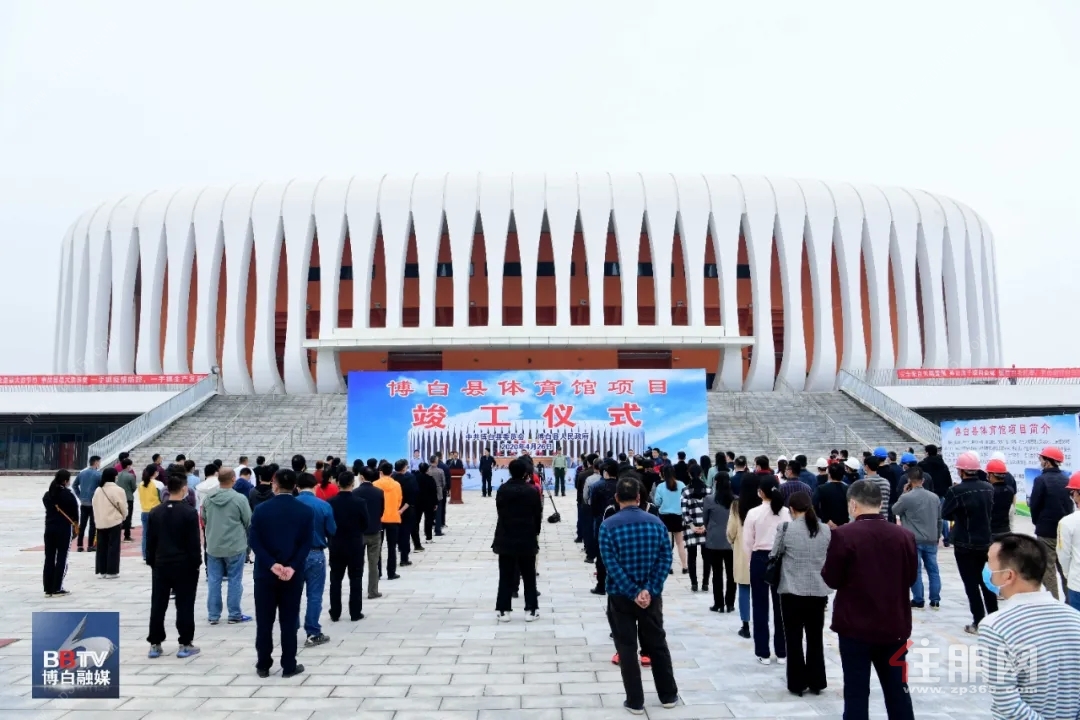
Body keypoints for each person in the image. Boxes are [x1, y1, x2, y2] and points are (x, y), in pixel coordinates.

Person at [821, 479, 916, 720]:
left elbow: (831, 579)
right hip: (894, 625)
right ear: (881, 503)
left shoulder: (843, 535)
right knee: (898, 691)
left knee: (856, 692)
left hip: (855, 627)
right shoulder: (904, 536)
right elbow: (911, 577)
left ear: (853, 505)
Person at [598, 477, 680, 714]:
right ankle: (668, 695)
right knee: (657, 644)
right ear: (639, 498)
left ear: (616, 498)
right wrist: (649, 590)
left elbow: (610, 564)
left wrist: (633, 591)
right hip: (651, 597)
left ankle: (635, 701)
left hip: (620, 596)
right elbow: (666, 559)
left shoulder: (608, 526)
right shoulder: (656, 523)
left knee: (626, 647)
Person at [979, 533, 1080, 719]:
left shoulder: (995, 627)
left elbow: (1008, 705)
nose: (986, 568)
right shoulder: (1075, 619)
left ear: (1008, 576)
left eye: (989, 562)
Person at [250, 468, 314, 679]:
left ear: (274, 485)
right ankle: (288, 665)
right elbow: (306, 544)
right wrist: (292, 566)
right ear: (295, 486)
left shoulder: (261, 510)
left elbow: (254, 542)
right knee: (288, 620)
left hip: (265, 574)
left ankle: (263, 664)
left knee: (264, 620)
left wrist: (271, 564)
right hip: (291, 574)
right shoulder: (304, 511)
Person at [770, 491, 831, 697]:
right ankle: (817, 681)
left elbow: (774, 554)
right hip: (817, 590)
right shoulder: (824, 530)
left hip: (791, 591)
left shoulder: (785, 528)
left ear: (792, 509)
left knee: (793, 638)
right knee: (815, 638)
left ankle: (797, 683)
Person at [145, 470, 202, 659]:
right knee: (185, 604)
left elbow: (150, 541)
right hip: (184, 565)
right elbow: (193, 542)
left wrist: (151, 561)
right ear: (184, 489)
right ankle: (185, 643)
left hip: (161, 564)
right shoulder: (189, 512)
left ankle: (155, 643)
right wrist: (196, 563)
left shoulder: (156, 512)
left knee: (158, 603)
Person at [942, 451, 997, 634]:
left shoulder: (956, 491)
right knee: (987, 583)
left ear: (961, 471)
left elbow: (945, 513)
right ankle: (994, 619)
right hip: (986, 541)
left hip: (964, 542)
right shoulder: (989, 488)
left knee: (971, 585)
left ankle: (979, 621)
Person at [743, 476, 790, 664]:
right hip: (780, 559)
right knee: (781, 607)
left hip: (760, 558)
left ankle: (763, 652)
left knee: (760, 606)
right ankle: (782, 651)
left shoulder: (754, 513)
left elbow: (747, 542)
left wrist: (750, 563)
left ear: (760, 492)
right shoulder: (786, 512)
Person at [201, 468, 253, 625]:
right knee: (234, 580)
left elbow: (204, 518)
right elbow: (248, 520)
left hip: (214, 545)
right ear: (232, 479)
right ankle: (234, 614)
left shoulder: (208, 498)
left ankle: (213, 615)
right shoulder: (239, 499)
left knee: (214, 580)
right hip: (235, 545)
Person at [493, 458, 543, 621]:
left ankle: (503, 609)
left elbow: (500, 512)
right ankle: (531, 609)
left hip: (506, 536)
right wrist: (535, 532)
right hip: (526, 537)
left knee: (505, 574)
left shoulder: (502, 490)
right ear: (525, 473)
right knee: (529, 575)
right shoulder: (532, 491)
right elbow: (537, 515)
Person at [295, 471, 336, 646]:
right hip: (315, 552)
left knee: (293, 594)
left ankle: (291, 626)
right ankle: (312, 632)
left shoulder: (291, 504)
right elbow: (332, 530)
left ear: (297, 487)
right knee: (314, 594)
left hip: (293, 554)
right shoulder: (323, 505)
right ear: (315, 486)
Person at [891, 466, 942, 609]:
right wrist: (937, 535)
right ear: (923, 480)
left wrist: (903, 493)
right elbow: (939, 519)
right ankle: (935, 599)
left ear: (909, 480)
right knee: (933, 570)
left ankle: (918, 599)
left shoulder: (906, 497)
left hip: (913, 539)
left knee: (916, 570)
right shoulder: (934, 497)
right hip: (931, 538)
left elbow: (895, 510)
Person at [1029, 445, 1073, 600]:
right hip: (1064, 532)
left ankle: (1054, 603)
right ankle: (1070, 603)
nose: (1040, 461)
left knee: (1048, 570)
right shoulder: (1066, 479)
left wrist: (1037, 523)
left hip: (1046, 532)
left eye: (1041, 458)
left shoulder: (1040, 480)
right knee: (1065, 569)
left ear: (1048, 462)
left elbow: (1034, 506)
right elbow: (1070, 505)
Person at [327, 470, 369, 622]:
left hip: (336, 544)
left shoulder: (330, 503)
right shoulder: (360, 502)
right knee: (356, 579)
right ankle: (355, 612)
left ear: (338, 483)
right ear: (353, 483)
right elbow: (366, 523)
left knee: (335, 579)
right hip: (355, 545)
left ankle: (335, 612)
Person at [728, 471, 760, 638]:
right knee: (760, 592)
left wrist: (734, 542)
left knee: (744, 589)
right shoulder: (763, 505)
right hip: (761, 553)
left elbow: (731, 531)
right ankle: (760, 623)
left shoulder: (736, 505)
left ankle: (745, 625)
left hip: (742, 552)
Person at [702, 471, 736, 612]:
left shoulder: (709, 499)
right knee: (731, 574)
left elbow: (705, 519)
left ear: (715, 482)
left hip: (714, 540)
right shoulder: (736, 500)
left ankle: (719, 603)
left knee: (717, 573)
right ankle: (730, 603)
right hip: (731, 540)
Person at [43, 469, 79, 597]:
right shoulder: (68, 495)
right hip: (63, 528)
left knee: (49, 557)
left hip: (49, 528)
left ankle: (48, 588)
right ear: (65, 481)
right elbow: (75, 513)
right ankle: (57, 587)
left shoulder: (48, 495)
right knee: (62, 557)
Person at [353, 468, 386, 599]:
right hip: (374, 531)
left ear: (361, 477)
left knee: (358, 562)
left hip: (359, 532)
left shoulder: (355, 492)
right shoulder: (379, 492)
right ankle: (373, 590)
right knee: (373, 563)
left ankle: (356, 589)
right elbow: (381, 511)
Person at [92, 467, 128, 579]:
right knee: (113, 546)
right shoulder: (119, 490)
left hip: (100, 521)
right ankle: (111, 571)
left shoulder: (98, 490)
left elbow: (94, 504)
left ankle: (102, 570)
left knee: (101, 547)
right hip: (114, 521)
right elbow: (123, 506)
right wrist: (124, 516)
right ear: (113, 476)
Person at [653, 465, 688, 575]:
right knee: (680, 543)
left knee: (668, 544)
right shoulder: (681, 484)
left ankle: (669, 567)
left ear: (662, 474)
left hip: (665, 516)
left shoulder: (660, 486)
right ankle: (685, 566)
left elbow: (657, 502)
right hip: (678, 516)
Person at [918, 444, 953, 546]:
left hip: (926, 493)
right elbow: (948, 480)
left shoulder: (922, 465)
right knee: (941, 516)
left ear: (927, 452)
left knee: (926, 516)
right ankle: (946, 538)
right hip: (941, 493)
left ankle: (929, 537)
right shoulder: (943, 465)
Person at [373, 462, 403, 580]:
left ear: (380, 472)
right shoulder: (397, 485)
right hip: (393, 517)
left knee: (377, 547)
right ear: (391, 472)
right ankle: (391, 572)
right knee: (392, 547)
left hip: (379, 518)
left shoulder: (375, 484)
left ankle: (378, 571)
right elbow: (399, 501)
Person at [681, 465, 708, 592]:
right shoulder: (709, 490)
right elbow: (711, 509)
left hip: (690, 528)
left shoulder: (686, 491)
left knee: (692, 557)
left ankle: (694, 584)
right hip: (706, 527)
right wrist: (704, 525)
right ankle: (706, 583)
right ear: (701, 474)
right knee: (706, 556)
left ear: (690, 475)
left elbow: (684, 511)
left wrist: (692, 525)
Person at [1056, 471, 1080, 611]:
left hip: (1077, 584)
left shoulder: (1067, 522)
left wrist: (1069, 575)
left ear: (1077, 493)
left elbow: (1064, 555)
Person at [392, 459, 422, 563]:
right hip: (407, 510)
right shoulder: (410, 478)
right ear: (404, 467)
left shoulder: (392, 478)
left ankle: (399, 549)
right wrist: (402, 510)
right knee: (405, 533)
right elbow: (413, 496)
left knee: (396, 533)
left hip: (393, 509)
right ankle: (404, 558)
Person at [73, 455, 102, 552]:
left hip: (84, 502)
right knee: (93, 525)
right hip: (94, 503)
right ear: (96, 462)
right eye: (99, 462)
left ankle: (80, 545)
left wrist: (80, 496)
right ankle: (90, 545)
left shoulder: (82, 473)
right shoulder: (98, 475)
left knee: (83, 524)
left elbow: (74, 485)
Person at [137, 464, 164, 562]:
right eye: (157, 471)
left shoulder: (141, 484)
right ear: (154, 472)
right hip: (156, 511)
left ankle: (145, 554)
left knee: (145, 534)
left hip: (144, 511)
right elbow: (162, 497)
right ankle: (156, 553)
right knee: (157, 534)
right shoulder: (158, 484)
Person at [985, 458, 1016, 541]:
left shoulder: (989, 491)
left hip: (992, 531)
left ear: (991, 475)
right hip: (1006, 530)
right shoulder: (1010, 490)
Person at [813, 462, 850, 528]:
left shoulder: (821, 488)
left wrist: (826, 519)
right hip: (844, 524)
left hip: (827, 524)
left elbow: (814, 504)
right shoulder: (848, 489)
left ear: (829, 474)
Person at [414, 463, 439, 543]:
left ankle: (415, 537)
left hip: (417, 502)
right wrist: (435, 503)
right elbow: (434, 492)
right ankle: (428, 538)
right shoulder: (430, 479)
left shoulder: (415, 478)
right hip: (429, 503)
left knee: (416, 520)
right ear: (427, 469)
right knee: (428, 520)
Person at [115, 458, 137, 542]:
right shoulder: (130, 476)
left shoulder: (117, 475)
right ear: (128, 466)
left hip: (118, 498)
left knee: (118, 517)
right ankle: (127, 535)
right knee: (128, 517)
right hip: (128, 498)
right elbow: (134, 488)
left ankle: (117, 535)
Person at [426, 455, 446, 537]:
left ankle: (428, 529)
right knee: (438, 512)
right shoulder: (440, 471)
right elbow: (443, 483)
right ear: (436, 461)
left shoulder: (427, 471)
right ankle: (438, 530)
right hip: (438, 492)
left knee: (429, 513)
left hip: (429, 493)